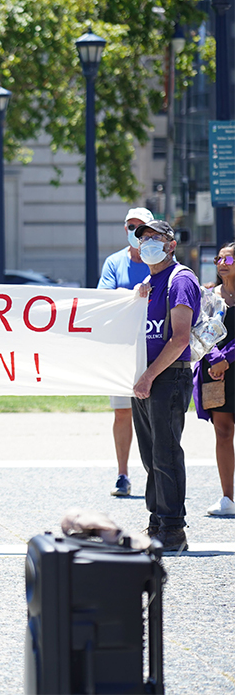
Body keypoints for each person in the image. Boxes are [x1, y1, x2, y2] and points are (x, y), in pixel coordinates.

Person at [132, 219, 199, 552]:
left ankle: (173, 528)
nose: (146, 243)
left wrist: (149, 376)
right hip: (146, 377)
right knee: (150, 456)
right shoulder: (149, 282)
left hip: (167, 375)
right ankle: (157, 520)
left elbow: (180, 338)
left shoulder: (180, 280)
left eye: (153, 238)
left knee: (166, 453)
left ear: (171, 244)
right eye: (142, 238)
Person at [98, 207, 155, 498]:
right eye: (132, 226)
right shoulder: (114, 262)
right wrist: (135, 293)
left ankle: (156, 475)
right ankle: (123, 473)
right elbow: (106, 298)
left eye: (142, 227)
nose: (137, 232)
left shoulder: (159, 259)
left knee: (153, 415)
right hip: (122, 350)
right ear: (125, 229)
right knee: (123, 412)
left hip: (155, 349)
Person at [192, 242, 235, 517]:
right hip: (216, 372)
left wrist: (227, 358)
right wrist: (216, 357)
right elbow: (201, 329)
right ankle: (227, 498)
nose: (221, 262)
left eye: (228, 259)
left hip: (225, 365)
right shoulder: (210, 296)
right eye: (219, 258)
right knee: (222, 433)